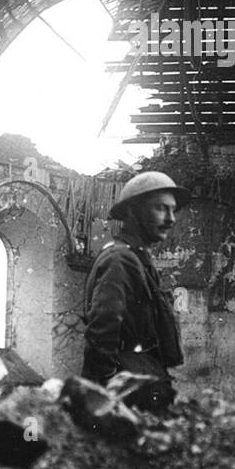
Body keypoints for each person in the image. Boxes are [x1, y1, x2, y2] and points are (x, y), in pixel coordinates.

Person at [82, 171, 189, 409]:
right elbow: (102, 329)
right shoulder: (120, 259)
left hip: (141, 377)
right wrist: (107, 397)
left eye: (173, 210)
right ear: (132, 211)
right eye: (161, 208)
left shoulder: (137, 257)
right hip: (128, 386)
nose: (171, 218)